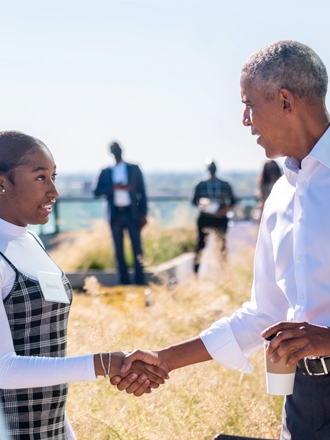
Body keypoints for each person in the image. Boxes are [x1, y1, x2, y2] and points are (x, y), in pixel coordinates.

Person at [112, 41, 330, 440]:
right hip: (302, 399)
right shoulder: (281, 195)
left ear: (285, 100)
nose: (245, 120)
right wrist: (163, 360)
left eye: (248, 104)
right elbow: (264, 315)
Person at [0, 132, 167, 439]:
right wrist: (103, 363)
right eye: (40, 178)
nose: (54, 191)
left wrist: (64, 431)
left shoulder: (33, 242)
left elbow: (47, 359)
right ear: (2, 183)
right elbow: (3, 369)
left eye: (54, 177)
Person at [94, 142, 147, 285]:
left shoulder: (133, 169)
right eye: (113, 150)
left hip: (132, 213)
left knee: (137, 247)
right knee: (118, 250)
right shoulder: (106, 171)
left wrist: (144, 214)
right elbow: (96, 192)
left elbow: (142, 192)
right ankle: (123, 281)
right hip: (115, 215)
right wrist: (113, 188)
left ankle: (140, 280)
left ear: (122, 151)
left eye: (117, 149)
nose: (116, 152)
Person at [190, 160, 236, 273]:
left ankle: (224, 273)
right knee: (200, 245)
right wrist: (204, 207)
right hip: (205, 218)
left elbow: (233, 200)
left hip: (220, 219)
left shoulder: (225, 185)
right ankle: (195, 273)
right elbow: (194, 200)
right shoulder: (200, 184)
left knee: (221, 246)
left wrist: (223, 210)